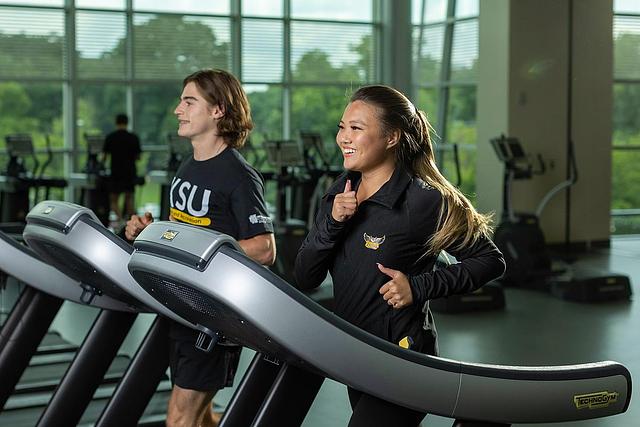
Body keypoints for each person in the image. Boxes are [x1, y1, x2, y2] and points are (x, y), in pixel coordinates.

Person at [294, 85, 506, 427]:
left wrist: (418, 287)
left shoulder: (423, 201)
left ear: (391, 137)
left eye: (357, 128)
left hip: (402, 356)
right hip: (355, 351)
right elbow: (305, 276)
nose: (344, 138)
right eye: (342, 127)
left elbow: (490, 259)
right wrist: (332, 223)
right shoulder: (341, 190)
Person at [125, 69, 276, 427]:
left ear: (218, 111)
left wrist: (202, 257)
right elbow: (184, 230)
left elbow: (264, 249)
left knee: (179, 418)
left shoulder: (238, 175)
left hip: (211, 314)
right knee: (201, 416)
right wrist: (151, 231)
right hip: (180, 303)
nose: (179, 109)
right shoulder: (188, 165)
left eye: (189, 101)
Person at [103, 113, 142, 222]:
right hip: (129, 172)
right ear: (127, 122)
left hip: (116, 172)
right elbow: (138, 157)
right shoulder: (133, 138)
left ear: (116, 123)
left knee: (113, 200)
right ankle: (130, 222)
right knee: (129, 198)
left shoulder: (110, 137)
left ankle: (120, 220)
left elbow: (104, 157)